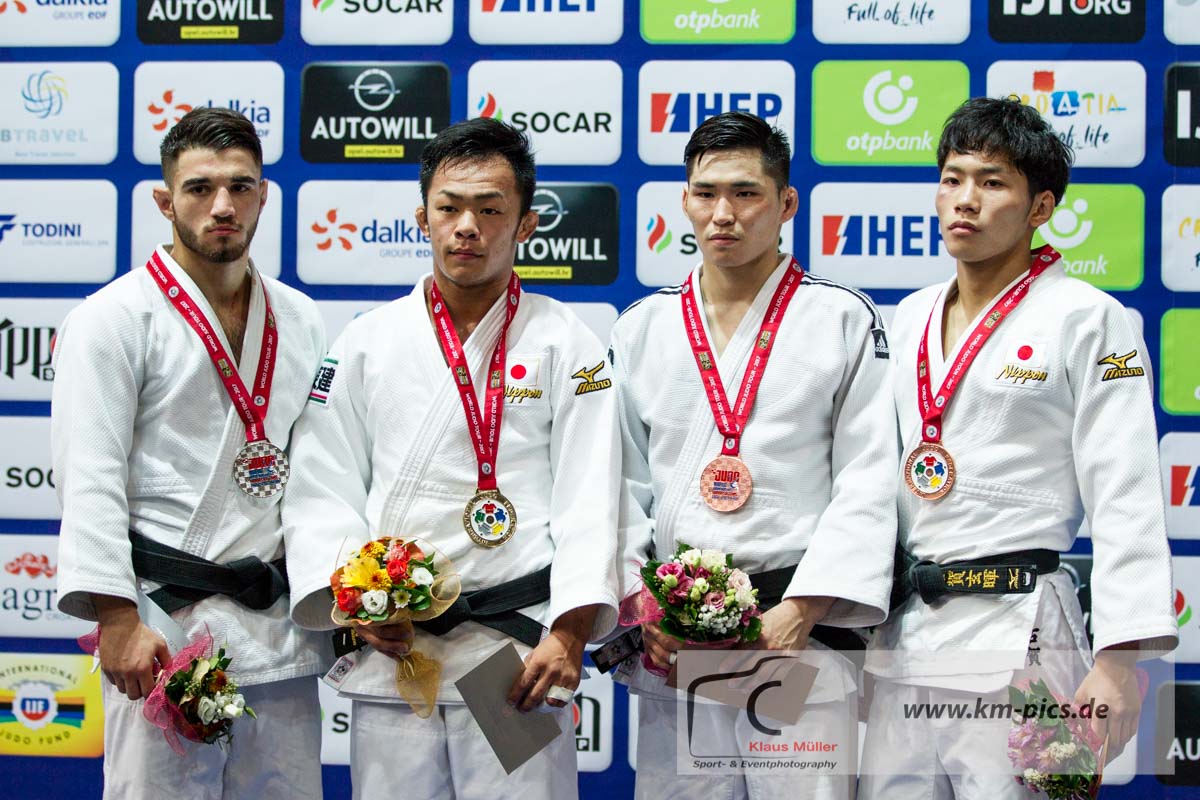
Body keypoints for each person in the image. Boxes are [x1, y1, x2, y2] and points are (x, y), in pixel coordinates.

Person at [282, 117, 619, 800]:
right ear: (422, 218)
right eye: (449, 208)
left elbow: (593, 494)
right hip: (398, 652)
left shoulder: (569, 345)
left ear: (525, 223)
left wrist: (570, 630)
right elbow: (323, 485)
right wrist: (357, 600)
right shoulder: (365, 343)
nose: (468, 226)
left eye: (491, 209)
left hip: (516, 657)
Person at [860, 97, 1178, 799]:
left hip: (1019, 627)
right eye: (952, 178)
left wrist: (1119, 663)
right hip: (908, 635)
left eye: (992, 182)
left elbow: (1124, 489)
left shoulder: (1092, 320)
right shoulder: (908, 317)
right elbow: (873, 489)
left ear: (1041, 208)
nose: (964, 200)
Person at [608, 111, 898, 800]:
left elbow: (870, 476)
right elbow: (619, 484)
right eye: (705, 194)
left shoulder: (841, 320)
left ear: (786, 203)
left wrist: (804, 607)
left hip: (792, 631)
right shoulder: (643, 327)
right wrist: (642, 609)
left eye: (745, 193)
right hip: (676, 642)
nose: (723, 215)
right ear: (684, 200)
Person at [52, 107, 328, 799]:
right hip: (164, 626)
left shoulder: (298, 315)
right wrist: (116, 617)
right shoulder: (110, 320)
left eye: (241, 186)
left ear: (264, 195)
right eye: (200, 188)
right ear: (165, 200)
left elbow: (318, 472)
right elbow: (89, 477)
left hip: (276, 624)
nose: (223, 205)